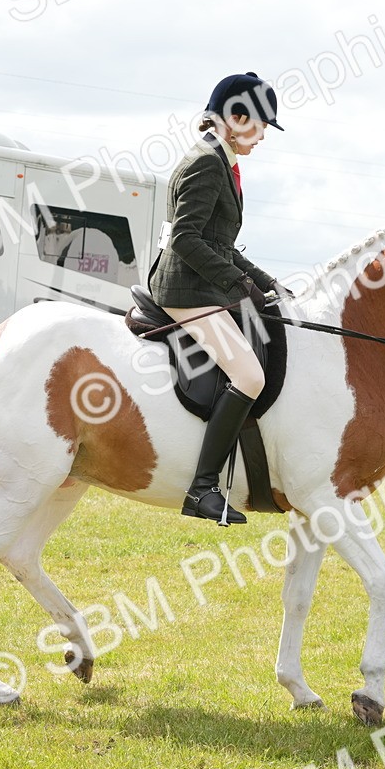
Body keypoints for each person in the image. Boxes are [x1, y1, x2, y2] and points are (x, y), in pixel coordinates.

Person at [148, 72, 285, 526]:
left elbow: (221, 244)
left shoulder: (220, 161)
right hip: (185, 290)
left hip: (201, 285)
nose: (263, 135)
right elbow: (186, 239)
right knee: (248, 375)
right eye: (261, 124)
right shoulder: (207, 163)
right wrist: (236, 284)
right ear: (236, 118)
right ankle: (201, 489)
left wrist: (268, 283)